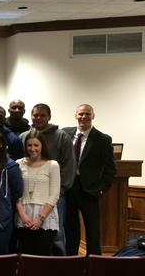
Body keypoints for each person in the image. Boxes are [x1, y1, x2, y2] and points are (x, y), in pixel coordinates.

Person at [20, 103, 75, 256]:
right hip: (28, 199)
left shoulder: (61, 136)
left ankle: (58, 269)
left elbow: (69, 164)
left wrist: (60, 191)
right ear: (31, 116)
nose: (38, 118)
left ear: (49, 117)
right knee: (28, 236)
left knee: (56, 236)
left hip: (54, 196)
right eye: (35, 115)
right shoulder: (24, 136)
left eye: (42, 115)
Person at [63, 104, 116, 255]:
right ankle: (72, 261)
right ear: (75, 115)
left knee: (93, 230)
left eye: (87, 114)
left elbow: (110, 169)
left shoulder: (102, 139)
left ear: (93, 116)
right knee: (70, 228)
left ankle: (94, 264)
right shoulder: (66, 134)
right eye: (80, 114)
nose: (83, 117)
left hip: (90, 190)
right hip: (69, 187)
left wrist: (100, 188)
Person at [15, 130, 61, 256]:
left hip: (45, 215)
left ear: (42, 146)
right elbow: (15, 192)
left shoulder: (52, 165)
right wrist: (22, 215)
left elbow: (55, 194)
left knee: (43, 255)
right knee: (26, 255)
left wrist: (41, 218)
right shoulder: (18, 164)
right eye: (29, 145)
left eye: (36, 145)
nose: (32, 149)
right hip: (24, 214)